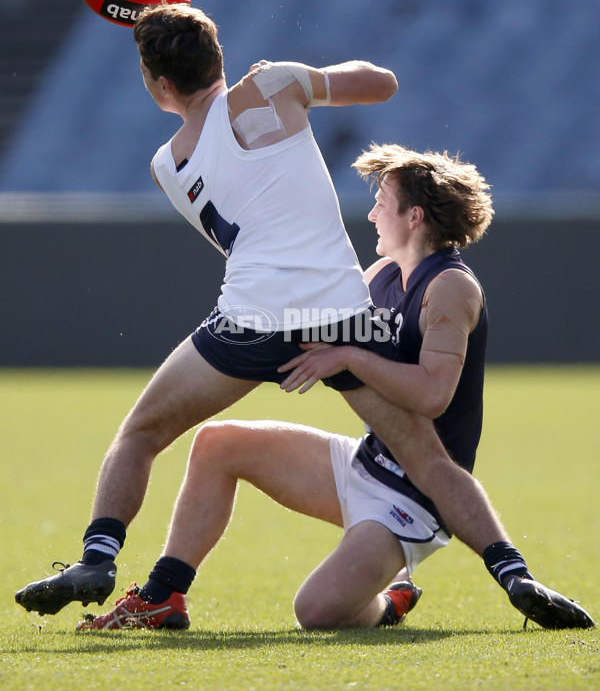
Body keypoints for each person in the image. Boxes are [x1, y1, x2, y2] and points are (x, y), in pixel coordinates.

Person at [74, 143, 594, 632]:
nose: (371, 215)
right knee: (218, 444)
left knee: (316, 611)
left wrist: (346, 355)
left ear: (414, 217)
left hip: (416, 496)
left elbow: (433, 394)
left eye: (382, 203)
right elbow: (311, 325)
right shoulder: (383, 273)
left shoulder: (451, 287)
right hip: (366, 461)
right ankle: (164, 595)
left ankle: (390, 604)